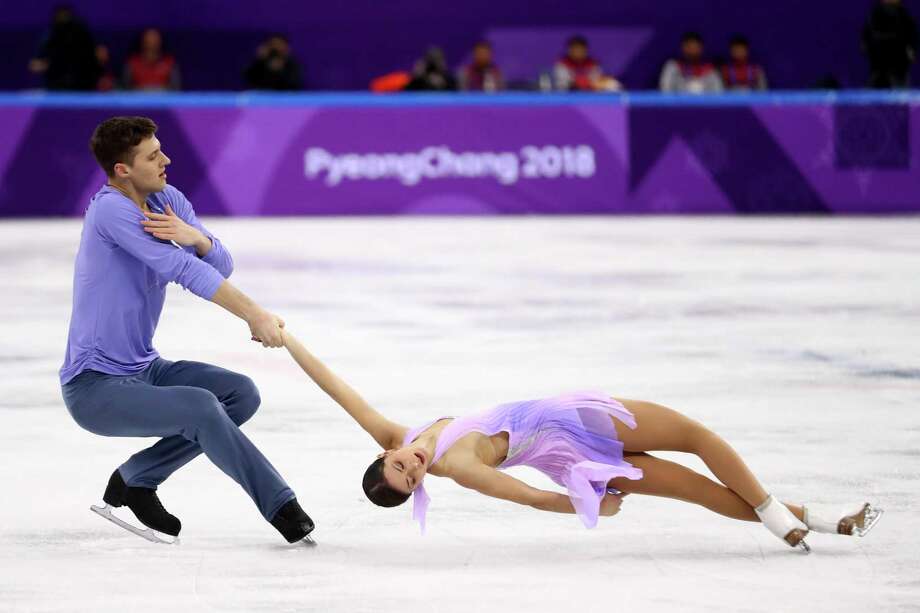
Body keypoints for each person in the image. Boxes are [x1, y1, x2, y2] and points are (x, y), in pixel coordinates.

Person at [278, 331, 882, 551]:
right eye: (411, 480)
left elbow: (338, 390)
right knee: (697, 445)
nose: (411, 466)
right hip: (578, 427)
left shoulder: (397, 434)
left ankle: (821, 522)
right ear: (414, 490)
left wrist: (287, 338)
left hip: (570, 457)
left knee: (698, 483)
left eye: (399, 465)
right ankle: (780, 515)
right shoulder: (458, 466)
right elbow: (527, 498)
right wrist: (584, 504)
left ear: (385, 453)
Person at [60, 116, 314, 545]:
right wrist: (254, 314)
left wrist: (196, 236)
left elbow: (219, 263)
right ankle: (281, 506)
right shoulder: (110, 211)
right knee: (199, 407)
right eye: (153, 155)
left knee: (240, 394)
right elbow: (180, 268)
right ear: (123, 169)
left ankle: (136, 479)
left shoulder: (165, 200)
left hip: (145, 367)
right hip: (95, 386)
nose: (167, 159)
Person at [28, 5, 100, 91]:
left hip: (83, 87)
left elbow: (97, 57)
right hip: (56, 88)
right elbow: (35, 64)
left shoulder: (82, 34)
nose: (64, 22)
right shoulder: (50, 37)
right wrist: (45, 65)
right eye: (61, 18)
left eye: (66, 17)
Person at [862, 0, 918, 88]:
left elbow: (911, 33)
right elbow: (867, 33)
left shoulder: (904, 15)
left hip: (898, 60)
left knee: (899, 84)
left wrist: (911, 49)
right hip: (879, 59)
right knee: (877, 82)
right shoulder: (876, 14)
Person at [552, 35, 622, 91]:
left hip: (591, 95)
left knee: (613, 85)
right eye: (575, 49)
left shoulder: (592, 63)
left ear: (586, 50)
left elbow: (597, 81)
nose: (578, 52)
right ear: (570, 50)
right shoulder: (562, 63)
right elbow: (563, 84)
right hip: (569, 96)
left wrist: (600, 82)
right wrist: (581, 82)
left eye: (581, 49)